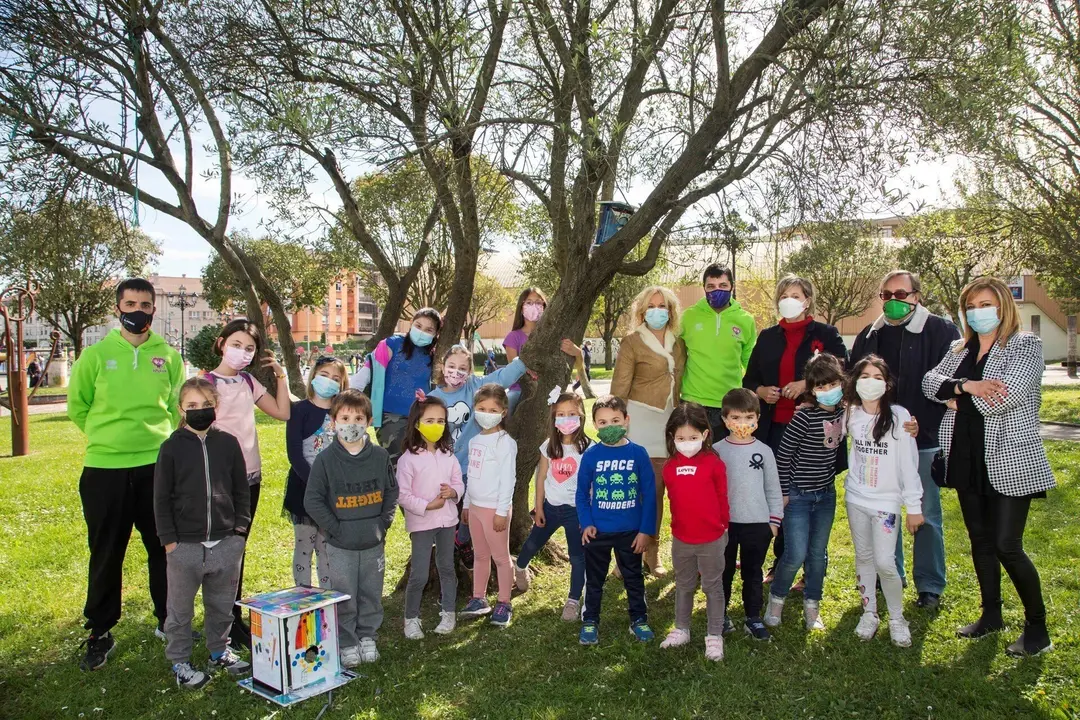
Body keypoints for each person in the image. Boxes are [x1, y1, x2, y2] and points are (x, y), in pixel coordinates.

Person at [922, 276, 1056, 657]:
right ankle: (991, 616)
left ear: (1003, 306)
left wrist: (957, 396)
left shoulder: (1024, 345)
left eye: (986, 304)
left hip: (1009, 458)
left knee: (1007, 545)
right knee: (980, 542)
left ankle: (1037, 629)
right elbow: (930, 384)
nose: (979, 312)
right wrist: (968, 386)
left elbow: (1004, 397)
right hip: (965, 455)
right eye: (972, 305)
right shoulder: (958, 346)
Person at [68, 277, 185, 672]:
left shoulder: (167, 356)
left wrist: (157, 444)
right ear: (118, 308)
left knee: (164, 548)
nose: (138, 311)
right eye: (130, 303)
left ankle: (168, 621)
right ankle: (100, 630)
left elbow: (175, 407)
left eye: (145, 304)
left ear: (154, 309)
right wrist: (109, 438)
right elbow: (78, 407)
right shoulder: (96, 356)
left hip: (156, 468)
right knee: (106, 552)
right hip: (104, 470)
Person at [851, 270, 959, 610]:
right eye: (887, 295)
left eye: (901, 293)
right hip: (878, 442)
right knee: (885, 509)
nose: (894, 301)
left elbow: (949, 382)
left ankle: (929, 585)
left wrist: (919, 423)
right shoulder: (870, 334)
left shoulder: (942, 331)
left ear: (917, 296)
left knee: (924, 511)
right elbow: (856, 382)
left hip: (922, 438)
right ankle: (889, 575)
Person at [741, 275, 846, 579]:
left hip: (814, 429)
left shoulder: (826, 334)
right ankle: (783, 559)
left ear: (807, 300)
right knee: (781, 493)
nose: (789, 299)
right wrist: (761, 391)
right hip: (776, 428)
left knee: (812, 495)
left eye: (796, 294)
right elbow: (750, 380)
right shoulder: (768, 335)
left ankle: (812, 565)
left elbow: (842, 370)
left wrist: (806, 383)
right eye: (784, 294)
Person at [154, 378, 251, 689]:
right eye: (192, 406)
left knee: (222, 604)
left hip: (225, 541)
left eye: (205, 405)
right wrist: (169, 541)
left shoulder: (228, 443)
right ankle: (180, 661)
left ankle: (219, 650)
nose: (199, 411)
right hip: (184, 546)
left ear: (216, 407)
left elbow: (240, 489)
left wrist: (239, 531)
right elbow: (161, 497)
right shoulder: (171, 447)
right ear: (182, 409)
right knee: (179, 610)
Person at [205, 319, 291, 647]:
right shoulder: (205, 383)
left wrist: (281, 376)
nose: (242, 352)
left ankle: (233, 618)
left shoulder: (248, 382)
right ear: (222, 343)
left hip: (249, 479)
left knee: (237, 550)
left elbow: (282, 412)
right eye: (237, 344)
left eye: (250, 348)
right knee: (220, 550)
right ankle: (220, 621)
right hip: (218, 482)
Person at [304, 390, 398, 667]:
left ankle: (367, 635)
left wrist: (382, 524)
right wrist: (335, 529)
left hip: (372, 542)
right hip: (340, 545)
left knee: (371, 591)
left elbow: (391, 493)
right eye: (345, 418)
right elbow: (313, 499)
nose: (351, 424)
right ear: (333, 421)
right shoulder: (325, 460)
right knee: (343, 594)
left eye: (358, 418)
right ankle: (346, 641)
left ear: (368, 421)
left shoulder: (380, 457)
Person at [844, 356, 924, 647]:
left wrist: (913, 507)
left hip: (886, 504)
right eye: (864, 375)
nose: (870, 382)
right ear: (855, 381)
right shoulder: (850, 415)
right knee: (863, 558)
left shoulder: (901, 417)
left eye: (877, 376)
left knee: (885, 563)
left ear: (887, 383)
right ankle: (869, 613)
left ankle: (897, 618)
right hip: (856, 499)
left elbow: (909, 464)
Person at [763, 353, 847, 631]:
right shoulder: (803, 419)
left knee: (818, 555)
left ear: (842, 383)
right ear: (811, 390)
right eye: (820, 387)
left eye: (832, 384)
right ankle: (776, 598)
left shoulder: (845, 414)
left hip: (826, 496)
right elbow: (783, 456)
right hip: (798, 496)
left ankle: (813, 605)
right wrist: (784, 493)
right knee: (795, 553)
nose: (827, 391)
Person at [610, 285, 686, 577]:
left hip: (668, 423)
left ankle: (652, 553)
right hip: (639, 420)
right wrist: (617, 427)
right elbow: (619, 388)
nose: (658, 311)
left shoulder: (678, 343)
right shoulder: (632, 342)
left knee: (658, 491)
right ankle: (626, 556)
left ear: (671, 311)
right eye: (652, 306)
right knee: (634, 492)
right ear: (642, 311)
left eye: (663, 305)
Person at [430, 343, 528, 561]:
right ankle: (442, 542)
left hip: (471, 465)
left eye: (462, 368)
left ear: (469, 371)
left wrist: (522, 362)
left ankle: (462, 542)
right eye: (451, 366)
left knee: (469, 510)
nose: (456, 372)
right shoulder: (433, 397)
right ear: (442, 366)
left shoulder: (474, 387)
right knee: (445, 509)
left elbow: (501, 377)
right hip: (443, 467)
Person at [576, 395, 657, 646]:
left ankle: (639, 619)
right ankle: (590, 620)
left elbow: (650, 494)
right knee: (595, 579)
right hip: (597, 532)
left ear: (626, 420)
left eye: (615, 420)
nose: (609, 426)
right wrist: (586, 522)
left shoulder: (638, 454)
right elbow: (581, 493)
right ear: (594, 425)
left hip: (631, 532)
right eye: (602, 422)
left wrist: (646, 531)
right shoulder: (591, 456)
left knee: (633, 577)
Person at [658, 402, 729, 661]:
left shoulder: (713, 464)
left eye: (693, 437)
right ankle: (681, 629)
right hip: (682, 539)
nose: (686, 442)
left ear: (705, 435)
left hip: (711, 538)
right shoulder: (668, 467)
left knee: (713, 588)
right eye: (680, 438)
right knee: (684, 585)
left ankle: (714, 635)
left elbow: (722, 497)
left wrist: (723, 528)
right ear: (672, 438)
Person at [513, 392, 592, 621]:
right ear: (553, 418)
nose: (566, 419)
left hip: (576, 512)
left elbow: (592, 484)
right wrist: (538, 508)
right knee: (531, 544)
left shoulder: (588, 448)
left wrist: (588, 516)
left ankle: (573, 600)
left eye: (572, 414)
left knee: (578, 558)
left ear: (581, 416)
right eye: (561, 414)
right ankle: (519, 567)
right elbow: (541, 478)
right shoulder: (548, 446)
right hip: (549, 508)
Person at [713, 388, 783, 641]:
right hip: (725, 525)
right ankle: (720, 617)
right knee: (724, 571)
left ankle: (753, 617)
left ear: (757, 419)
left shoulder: (764, 451)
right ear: (724, 420)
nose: (742, 424)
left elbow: (773, 488)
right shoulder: (716, 450)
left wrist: (773, 522)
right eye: (735, 418)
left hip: (758, 525)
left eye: (748, 418)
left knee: (753, 573)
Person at [397, 396, 465, 639]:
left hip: (447, 522)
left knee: (447, 567)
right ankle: (411, 619)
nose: (436, 425)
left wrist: (454, 492)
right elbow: (402, 495)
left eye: (440, 421)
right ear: (417, 423)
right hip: (422, 523)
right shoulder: (407, 459)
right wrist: (427, 505)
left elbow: (458, 482)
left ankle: (449, 613)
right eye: (429, 420)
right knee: (420, 574)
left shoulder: (449, 455)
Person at [283, 356, 350, 588]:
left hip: (333, 492)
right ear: (313, 376)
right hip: (304, 488)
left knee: (327, 548)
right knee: (304, 545)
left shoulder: (341, 414)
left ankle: (328, 599)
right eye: (324, 375)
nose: (329, 381)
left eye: (336, 378)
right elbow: (294, 454)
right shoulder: (298, 410)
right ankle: (303, 595)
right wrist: (316, 485)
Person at [459, 384, 518, 627]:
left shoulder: (505, 442)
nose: (486, 413)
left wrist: (501, 512)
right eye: (481, 408)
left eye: (492, 409)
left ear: (503, 412)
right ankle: (478, 598)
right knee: (480, 556)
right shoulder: (474, 441)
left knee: (501, 558)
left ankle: (504, 602)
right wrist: (466, 504)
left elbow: (508, 479)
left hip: (496, 510)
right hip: (475, 509)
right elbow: (472, 476)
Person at [350, 308, 443, 462]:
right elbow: (365, 374)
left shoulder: (433, 355)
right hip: (390, 418)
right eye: (418, 326)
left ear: (435, 334)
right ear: (411, 324)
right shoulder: (391, 344)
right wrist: (349, 404)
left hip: (421, 419)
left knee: (422, 465)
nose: (421, 332)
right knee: (401, 464)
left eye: (429, 329)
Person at [680, 265, 757, 441]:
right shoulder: (688, 317)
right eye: (711, 286)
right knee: (694, 458)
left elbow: (750, 362)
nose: (717, 290)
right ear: (704, 288)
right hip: (693, 402)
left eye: (723, 285)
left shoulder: (746, 320)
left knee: (724, 461)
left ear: (732, 287)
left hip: (729, 404)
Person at [503, 287, 546, 412]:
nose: (534, 306)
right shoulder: (513, 337)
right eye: (529, 302)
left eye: (538, 302)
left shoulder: (550, 336)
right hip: (518, 390)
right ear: (521, 307)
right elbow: (514, 366)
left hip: (546, 389)